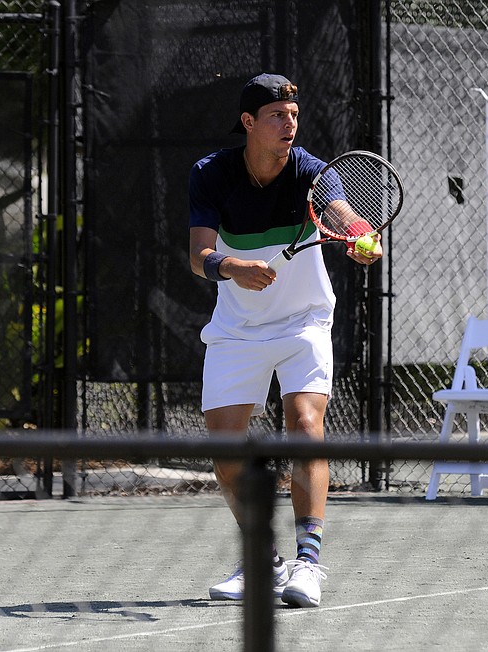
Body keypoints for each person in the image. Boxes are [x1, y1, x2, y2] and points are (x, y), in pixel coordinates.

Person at [188, 73, 381, 608]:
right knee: (224, 447)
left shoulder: (313, 172)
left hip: (303, 323)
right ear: (248, 123)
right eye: (276, 115)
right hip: (237, 327)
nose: (289, 124)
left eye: (294, 115)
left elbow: (343, 214)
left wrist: (362, 238)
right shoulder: (211, 174)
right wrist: (230, 267)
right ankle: (265, 561)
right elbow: (198, 254)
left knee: (305, 426)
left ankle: (309, 563)